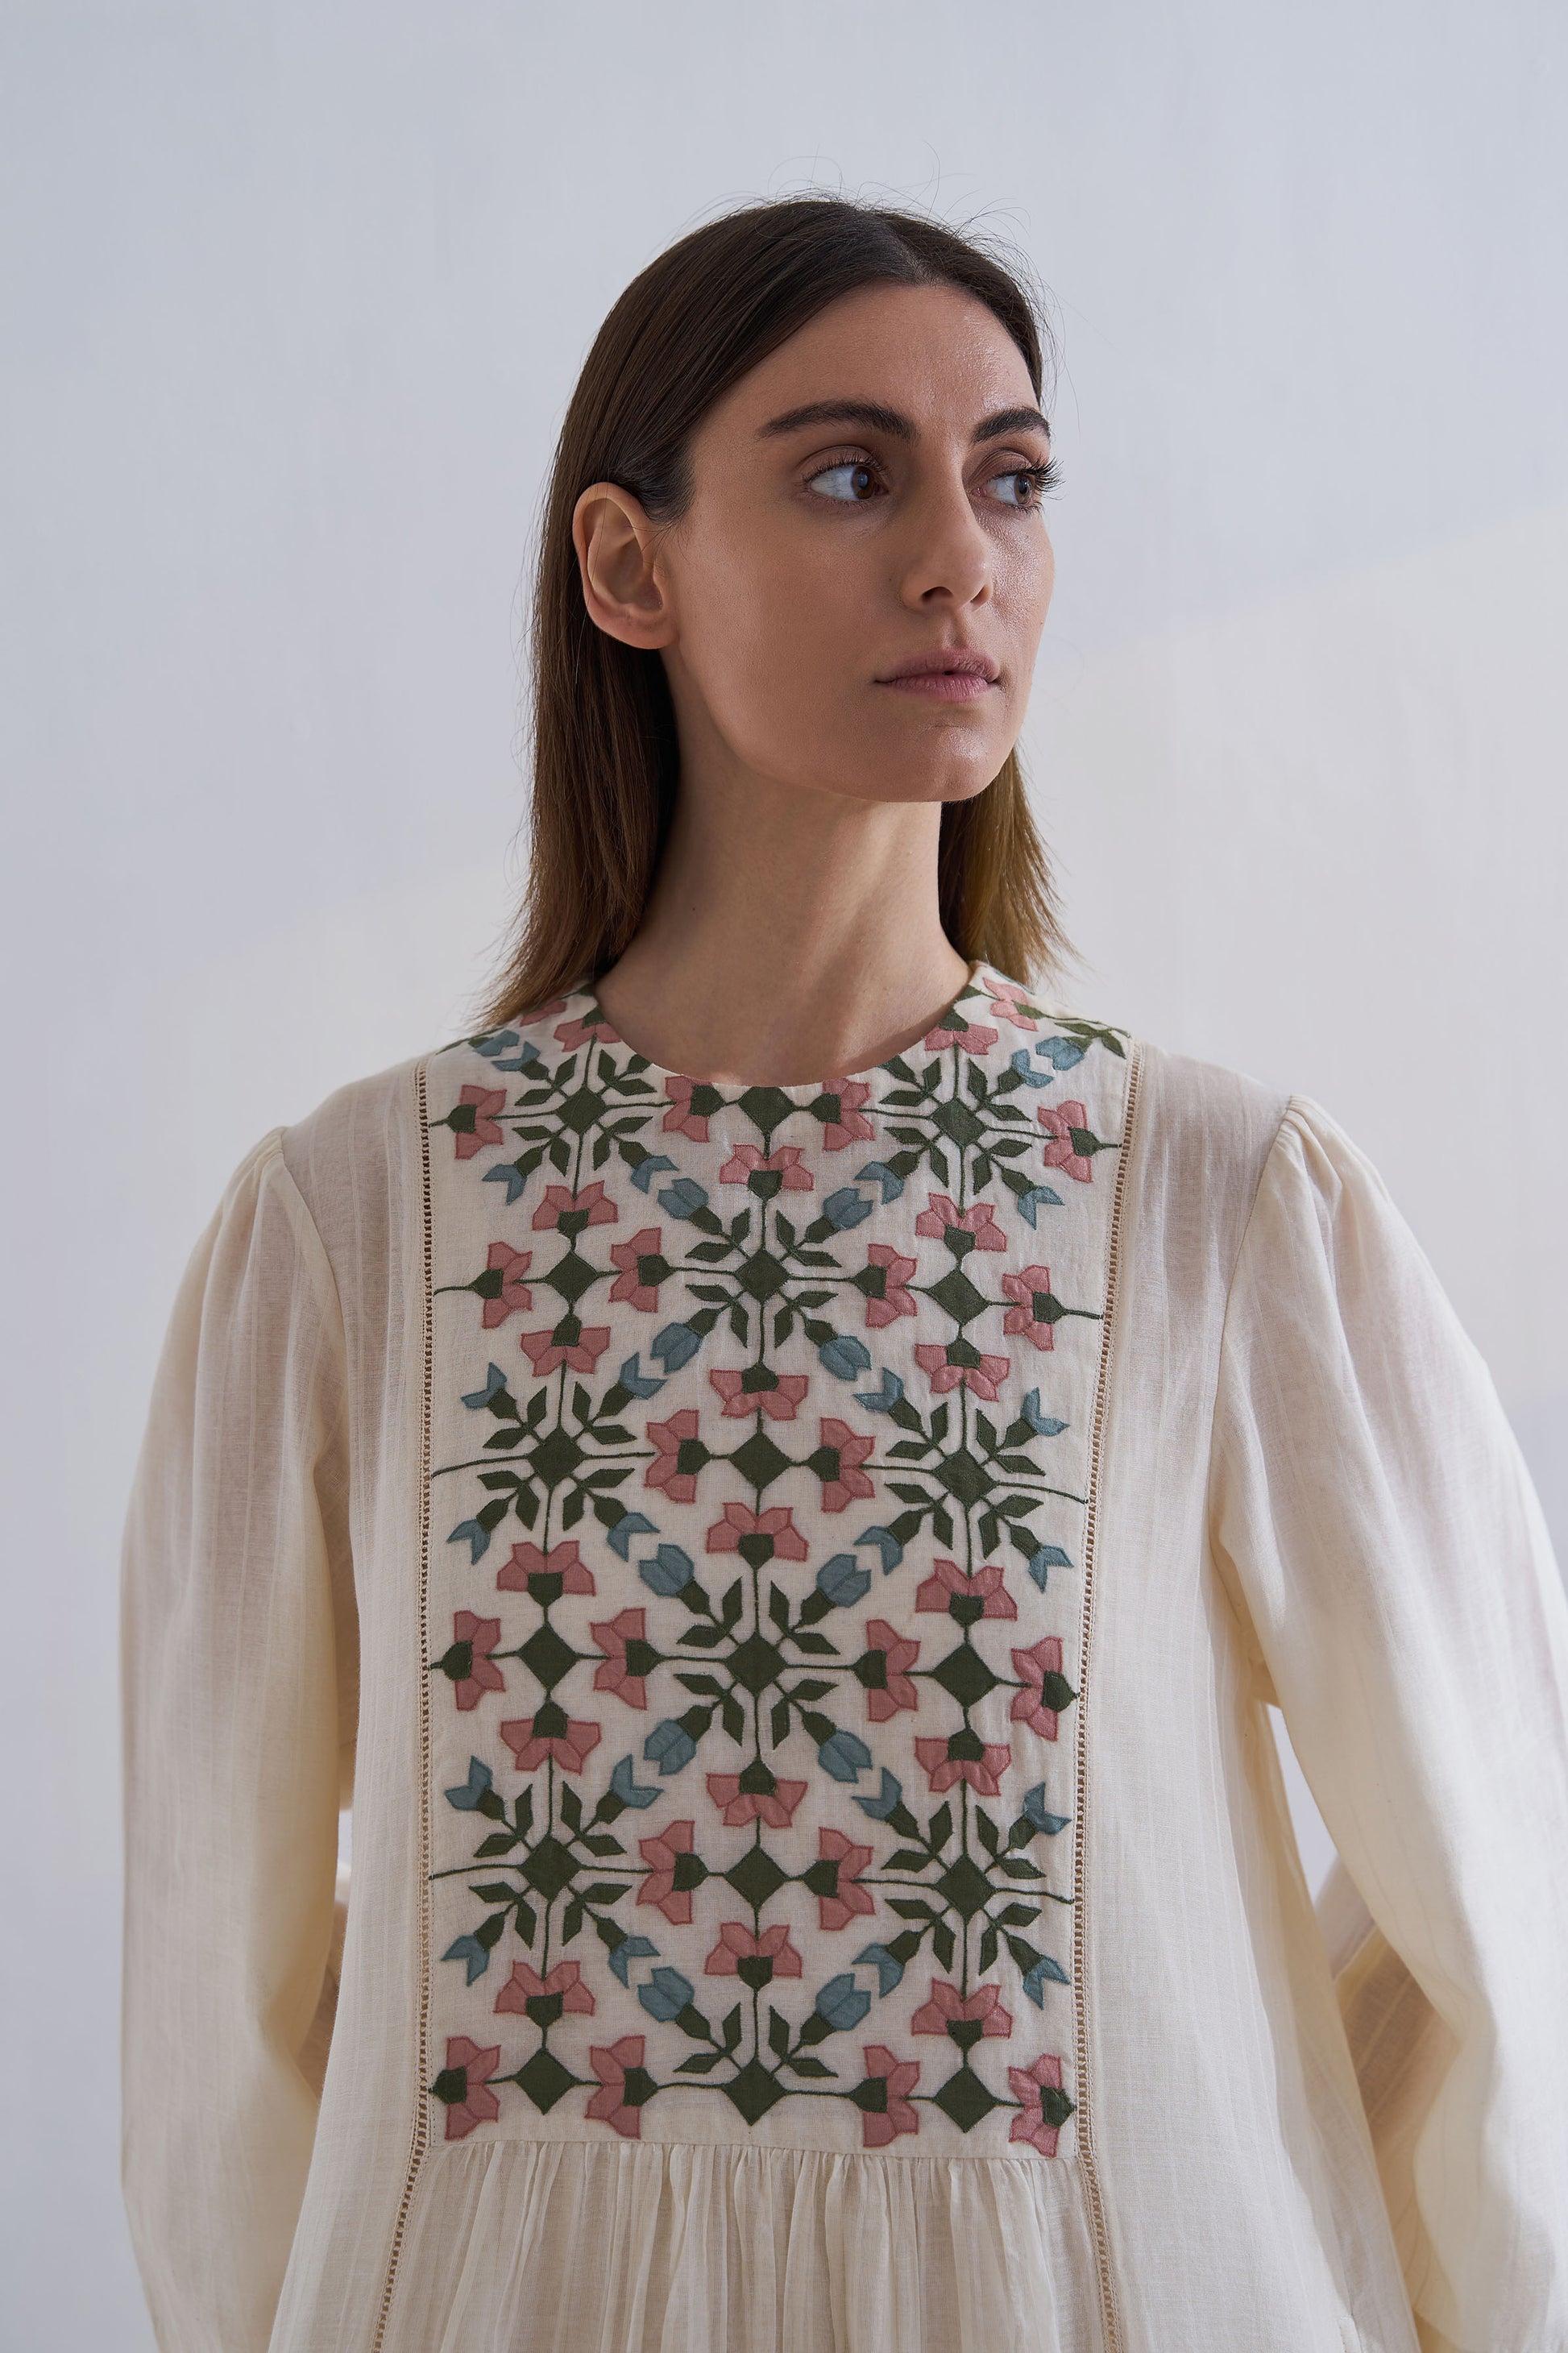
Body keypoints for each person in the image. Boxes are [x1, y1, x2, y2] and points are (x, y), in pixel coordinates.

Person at [118, 194, 1568, 2353]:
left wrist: (1281, 2220)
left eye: (1013, 478)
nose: (959, 557)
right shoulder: (356, 1230)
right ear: (629, 568)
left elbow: (1506, 1901)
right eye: (847, 476)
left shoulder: (1215, 1208)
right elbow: (217, 2007)